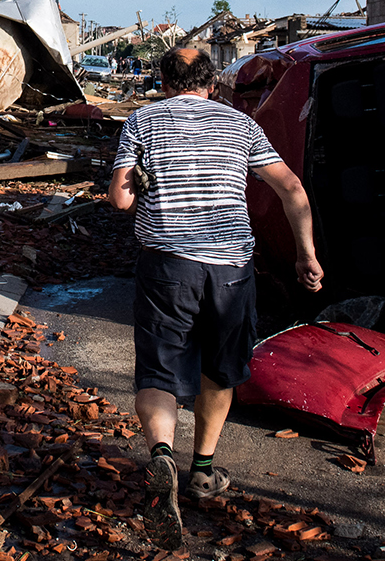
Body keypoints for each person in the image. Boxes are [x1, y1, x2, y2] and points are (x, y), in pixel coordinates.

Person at [107, 45, 323, 542]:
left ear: (164, 83)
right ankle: (202, 471)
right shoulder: (241, 125)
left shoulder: (142, 121)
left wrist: (140, 181)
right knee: (219, 369)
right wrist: (305, 255)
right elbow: (291, 189)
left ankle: (162, 455)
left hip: (167, 267)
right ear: (210, 84)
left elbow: (120, 200)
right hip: (230, 268)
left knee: (160, 371)